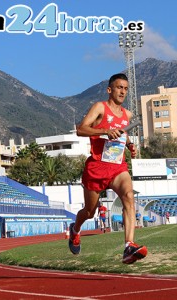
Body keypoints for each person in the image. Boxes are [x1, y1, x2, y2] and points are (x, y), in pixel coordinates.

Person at [68, 73, 148, 264]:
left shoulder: (127, 115)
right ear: (110, 90)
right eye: (119, 87)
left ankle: (129, 245)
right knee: (90, 211)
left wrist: (129, 145)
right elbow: (81, 129)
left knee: (129, 196)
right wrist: (105, 131)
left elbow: (123, 134)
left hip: (118, 168)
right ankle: (75, 230)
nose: (123, 91)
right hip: (96, 168)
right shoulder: (99, 107)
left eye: (126, 89)